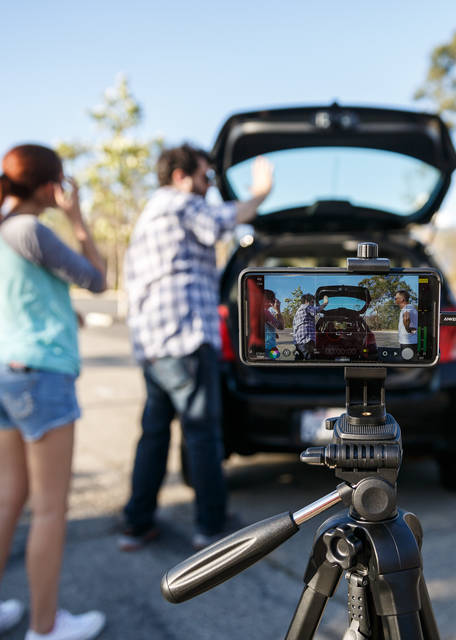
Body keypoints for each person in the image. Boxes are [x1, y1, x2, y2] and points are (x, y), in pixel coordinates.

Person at [121, 144, 273, 551]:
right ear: (180, 176)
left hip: (154, 343)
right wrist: (260, 194)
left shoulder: (150, 213)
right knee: (202, 433)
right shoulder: (180, 204)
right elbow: (222, 221)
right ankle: (212, 525)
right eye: (206, 177)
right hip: (185, 339)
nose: (208, 187)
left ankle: (137, 523)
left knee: (154, 433)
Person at [0, 145, 106, 639]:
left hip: (8, 372)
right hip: (41, 377)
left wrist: (67, 314)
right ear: (50, 186)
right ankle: (45, 629)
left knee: (9, 500)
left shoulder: (4, 230)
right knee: (49, 508)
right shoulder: (30, 229)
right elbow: (98, 278)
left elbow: (26, 298)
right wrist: (78, 218)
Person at [293, 293, 328, 359]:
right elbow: (316, 310)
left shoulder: (298, 311)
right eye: (312, 302)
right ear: (306, 301)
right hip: (306, 341)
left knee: (299, 362)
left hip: (299, 342)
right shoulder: (306, 307)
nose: (313, 304)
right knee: (310, 362)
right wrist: (325, 303)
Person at [394, 290, 418, 357]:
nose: (395, 300)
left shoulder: (406, 308)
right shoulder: (411, 307)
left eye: (396, 298)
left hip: (408, 343)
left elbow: (406, 318)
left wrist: (408, 330)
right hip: (411, 342)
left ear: (402, 299)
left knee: (407, 364)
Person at [263, 289, 283, 356]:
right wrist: (278, 310)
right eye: (272, 298)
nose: (274, 300)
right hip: (269, 348)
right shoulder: (266, 313)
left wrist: (273, 332)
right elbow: (281, 326)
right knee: (276, 357)